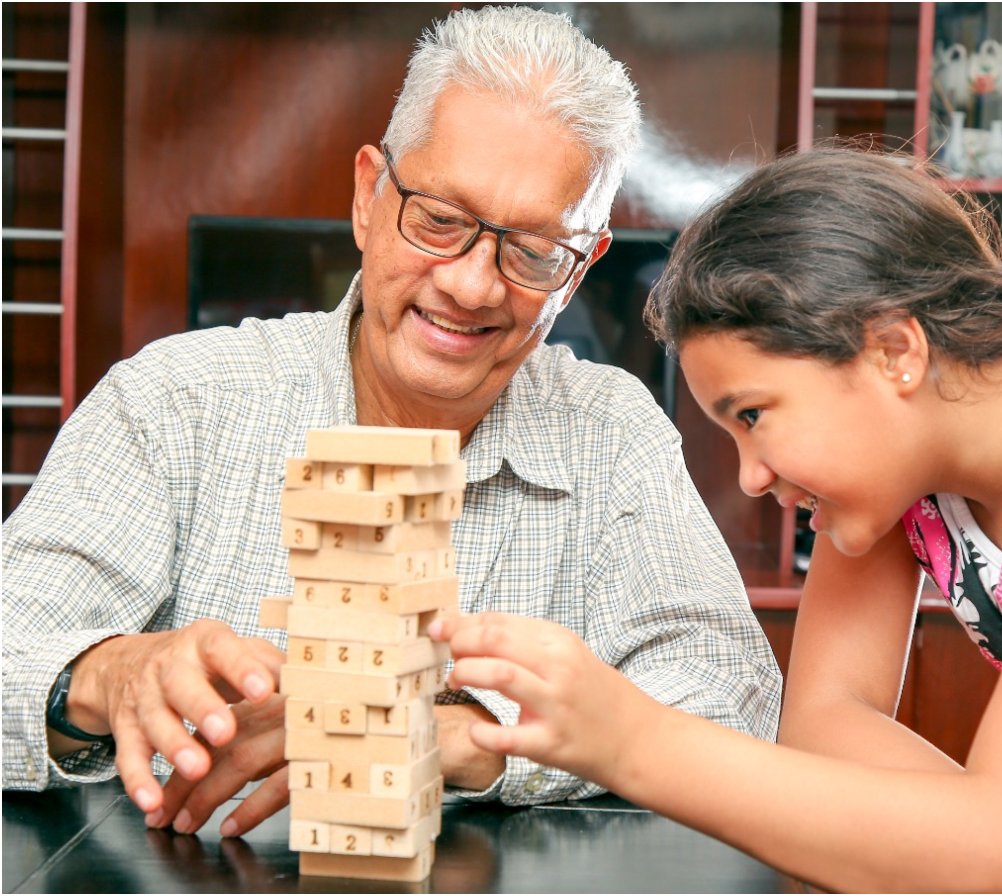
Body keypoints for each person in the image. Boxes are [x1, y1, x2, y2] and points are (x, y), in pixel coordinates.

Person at [1, 5, 782, 838]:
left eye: (533, 252)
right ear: (368, 194)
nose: (473, 286)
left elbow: (731, 701)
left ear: (582, 266)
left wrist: (477, 739)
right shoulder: (176, 400)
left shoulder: (612, 431)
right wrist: (100, 675)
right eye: (439, 221)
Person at [431, 145, 1002, 893]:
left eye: (753, 415)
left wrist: (632, 742)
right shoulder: (907, 466)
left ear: (894, 352)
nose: (751, 477)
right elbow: (826, 723)